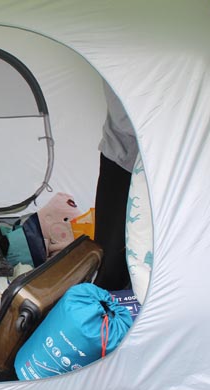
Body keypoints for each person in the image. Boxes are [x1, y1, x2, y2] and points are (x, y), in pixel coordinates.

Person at [93, 82, 138, 291]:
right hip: (121, 160)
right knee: (111, 251)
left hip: (165, 164)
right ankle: (109, 307)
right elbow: (126, 121)